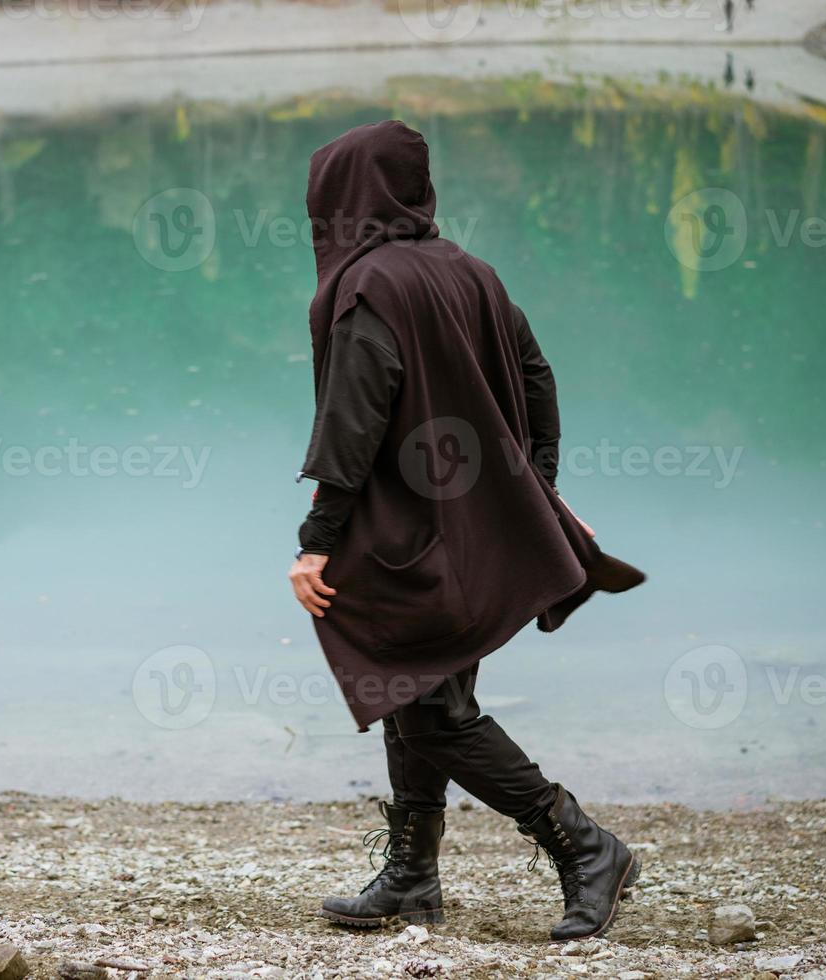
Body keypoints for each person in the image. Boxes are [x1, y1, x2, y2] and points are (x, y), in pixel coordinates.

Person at [287, 120, 646, 941]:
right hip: (475, 535)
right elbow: (536, 375)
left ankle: (584, 845)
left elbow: (354, 418)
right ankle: (412, 876)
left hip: (406, 540)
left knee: (430, 708)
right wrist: (535, 492)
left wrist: (316, 537)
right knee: (413, 688)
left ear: (344, 201)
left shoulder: (366, 287)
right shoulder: (470, 271)